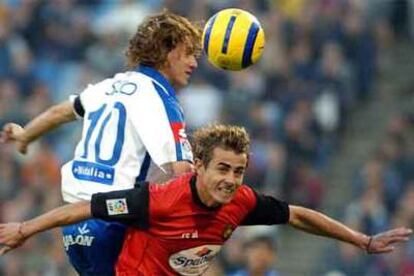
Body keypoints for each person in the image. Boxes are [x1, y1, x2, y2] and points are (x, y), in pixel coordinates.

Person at [0, 124, 411, 275]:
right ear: (198, 165)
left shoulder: (243, 202)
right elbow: (85, 207)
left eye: (238, 171)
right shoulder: (156, 200)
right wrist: (25, 228)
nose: (231, 180)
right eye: (222, 169)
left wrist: (362, 240)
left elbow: (298, 215)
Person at [0, 10, 201, 275]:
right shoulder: (162, 98)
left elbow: (59, 113)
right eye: (187, 53)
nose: (194, 63)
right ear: (166, 51)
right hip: (115, 225)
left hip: (73, 229)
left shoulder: (109, 86)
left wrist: (26, 135)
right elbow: (183, 174)